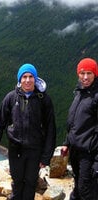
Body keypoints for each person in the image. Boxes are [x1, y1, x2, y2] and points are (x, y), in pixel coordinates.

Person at [0, 63, 56, 200]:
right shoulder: (11, 98)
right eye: (24, 77)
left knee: (31, 183)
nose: (27, 80)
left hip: (34, 150)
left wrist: (45, 157)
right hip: (16, 150)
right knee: (17, 182)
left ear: (35, 79)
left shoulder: (43, 100)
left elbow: (50, 129)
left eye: (30, 76)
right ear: (19, 79)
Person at [61, 57, 98, 200]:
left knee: (86, 190)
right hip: (76, 151)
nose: (85, 77)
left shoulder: (96, 96)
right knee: (77, 185)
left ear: (95, 74)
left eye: (89, 73)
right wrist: (66, 143)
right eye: (82, 73)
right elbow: (73, 123)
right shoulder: (79, 93)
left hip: (89, 153)